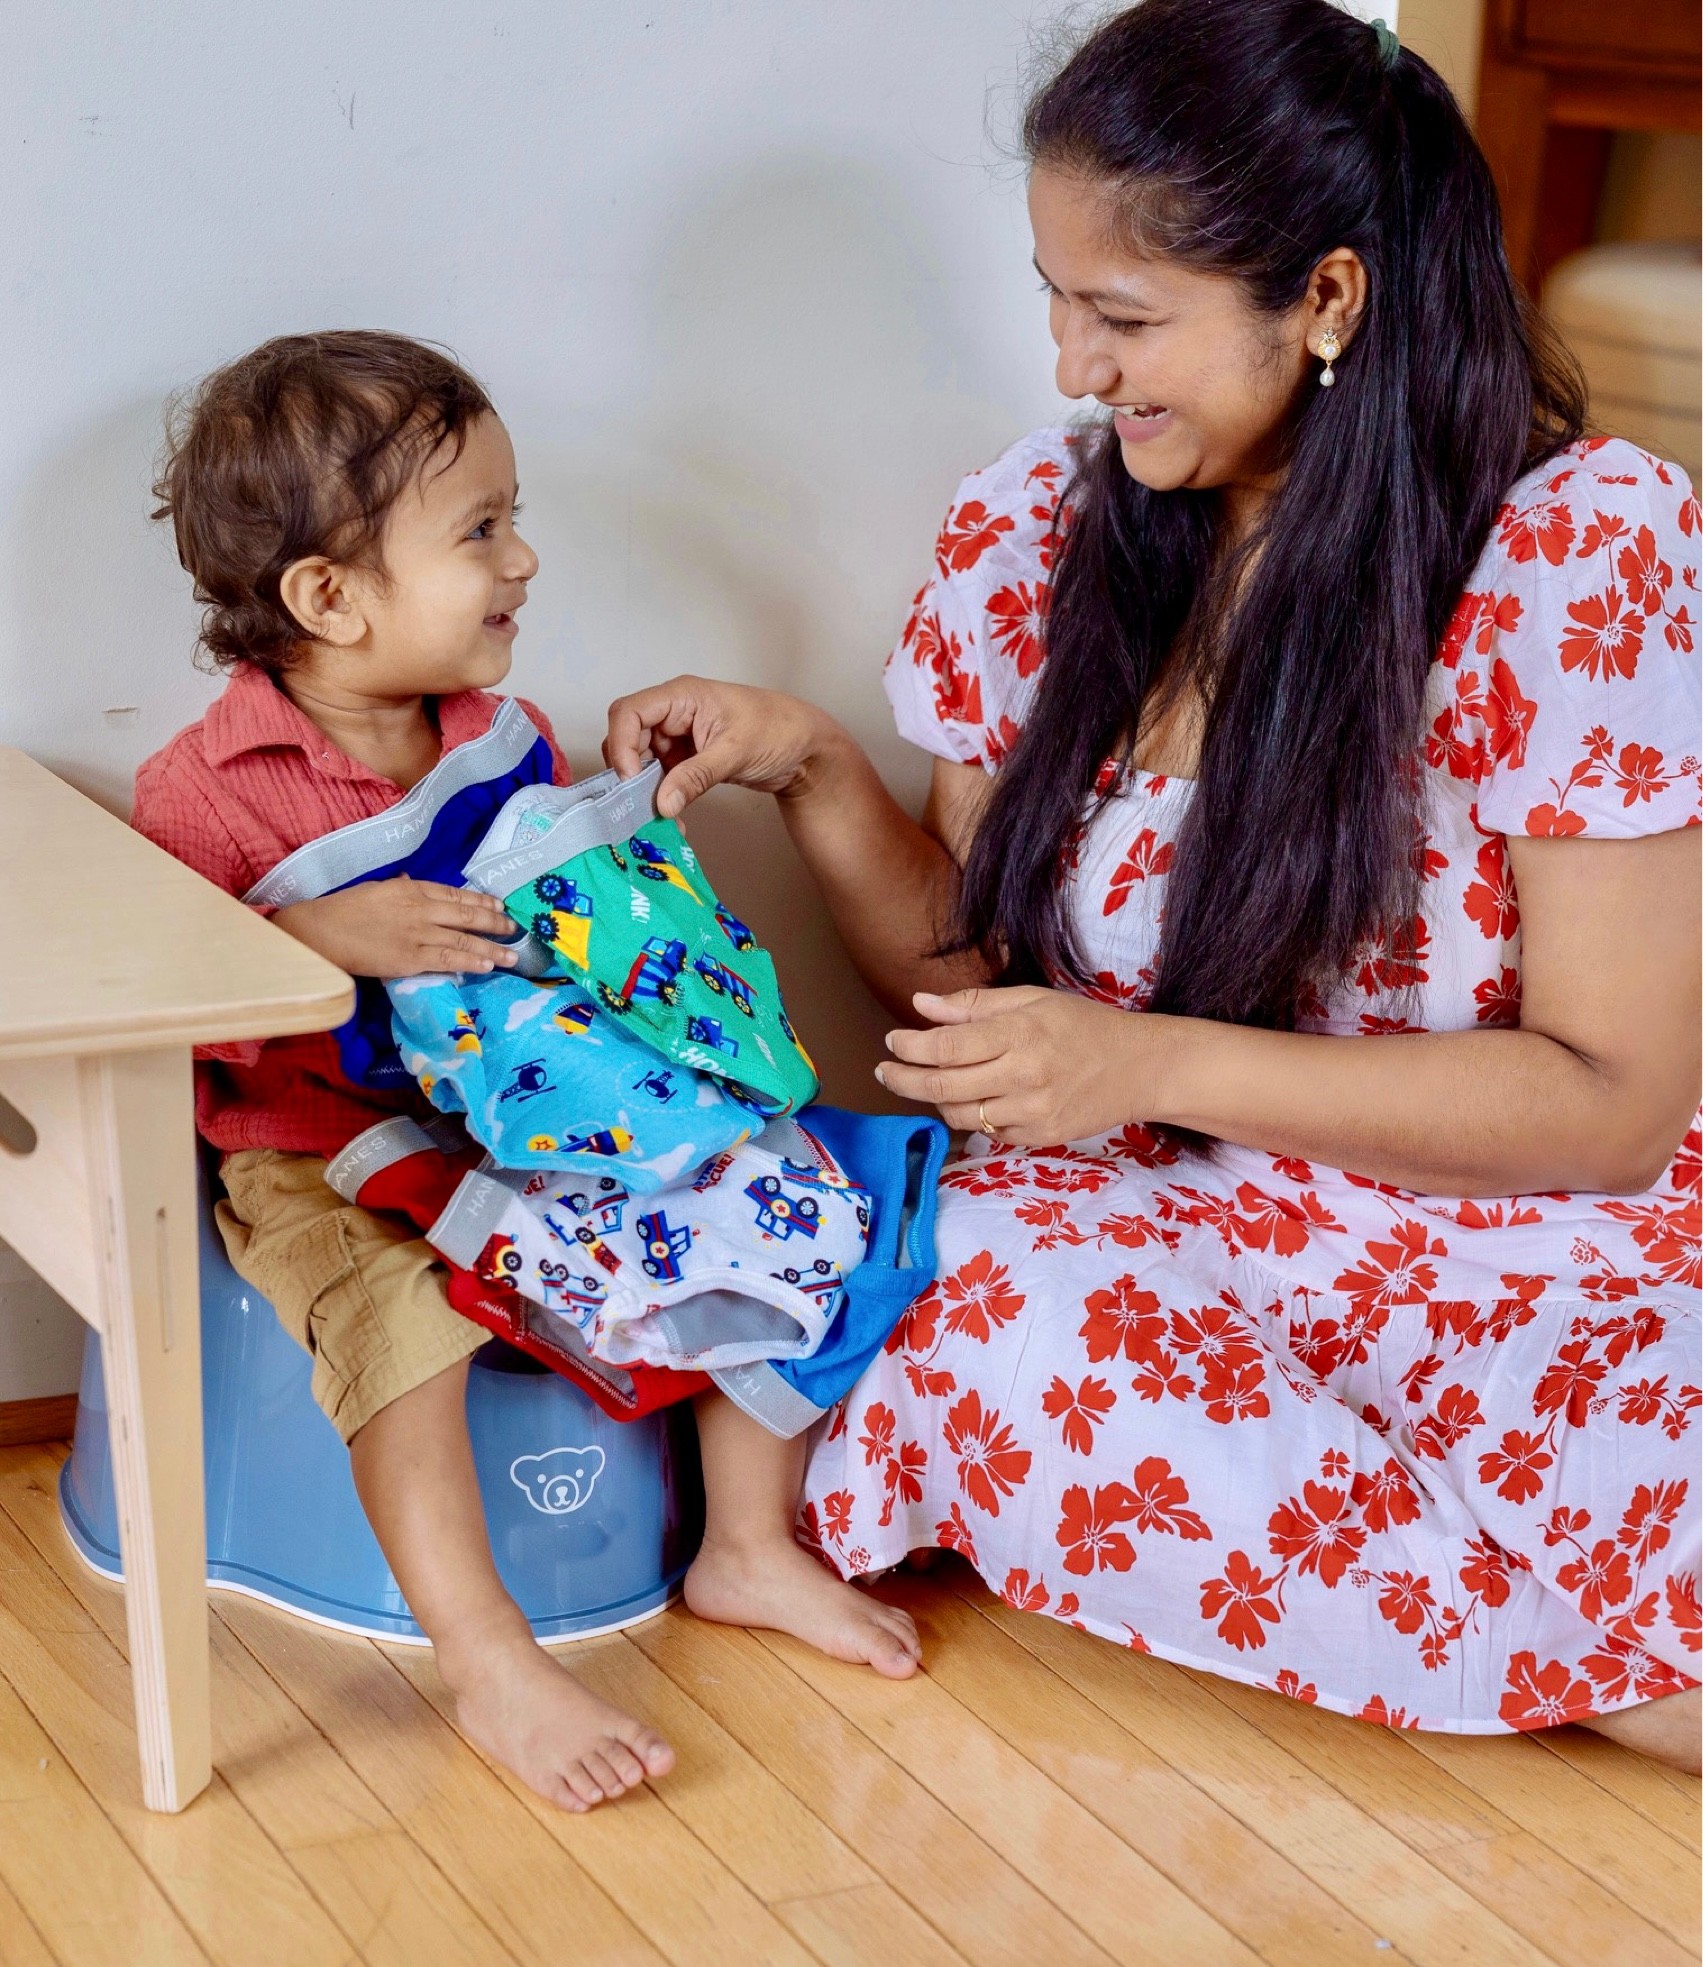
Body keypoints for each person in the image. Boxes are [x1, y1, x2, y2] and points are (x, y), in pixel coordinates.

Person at [604, 0, 1701, 1768]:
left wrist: (1151, 1065)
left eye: (1124, 317)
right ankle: (1595, 1658)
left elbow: (1614, 1113)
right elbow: (978, 991)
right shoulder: (1046, 525)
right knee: (944, 1271)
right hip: (1167, 1224)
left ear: (1329, 301)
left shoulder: (1576, 551)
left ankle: (1571, 1642)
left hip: (1522, 1234)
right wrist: (811, 765)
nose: (1072, 368)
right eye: (1055, 297)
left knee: (1605, 1423)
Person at [133, 330, 919, 1815]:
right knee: (398, 1316)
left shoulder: (506, 736)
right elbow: (175, 1011)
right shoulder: (203, 792)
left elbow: (571, 937)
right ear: (329, 599)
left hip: (539, 1110)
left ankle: (744, 1546)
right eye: (481, 530)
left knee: (765, 1185)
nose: (527, 559)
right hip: (322, 1141)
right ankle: (485, 1652)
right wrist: (311, 941)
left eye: (514, 516)